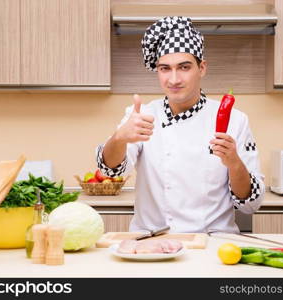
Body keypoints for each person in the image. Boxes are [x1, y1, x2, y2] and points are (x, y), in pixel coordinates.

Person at [96, 16, 265, 233]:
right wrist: (120, 137)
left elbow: (251, 203)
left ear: (201, 68)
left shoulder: (235, 120)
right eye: (165, 68)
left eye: (184, 67)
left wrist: (234, 163)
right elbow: (109, 170)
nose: (174, 79)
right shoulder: (142, 115)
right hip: (151, 243)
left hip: (212, 245)